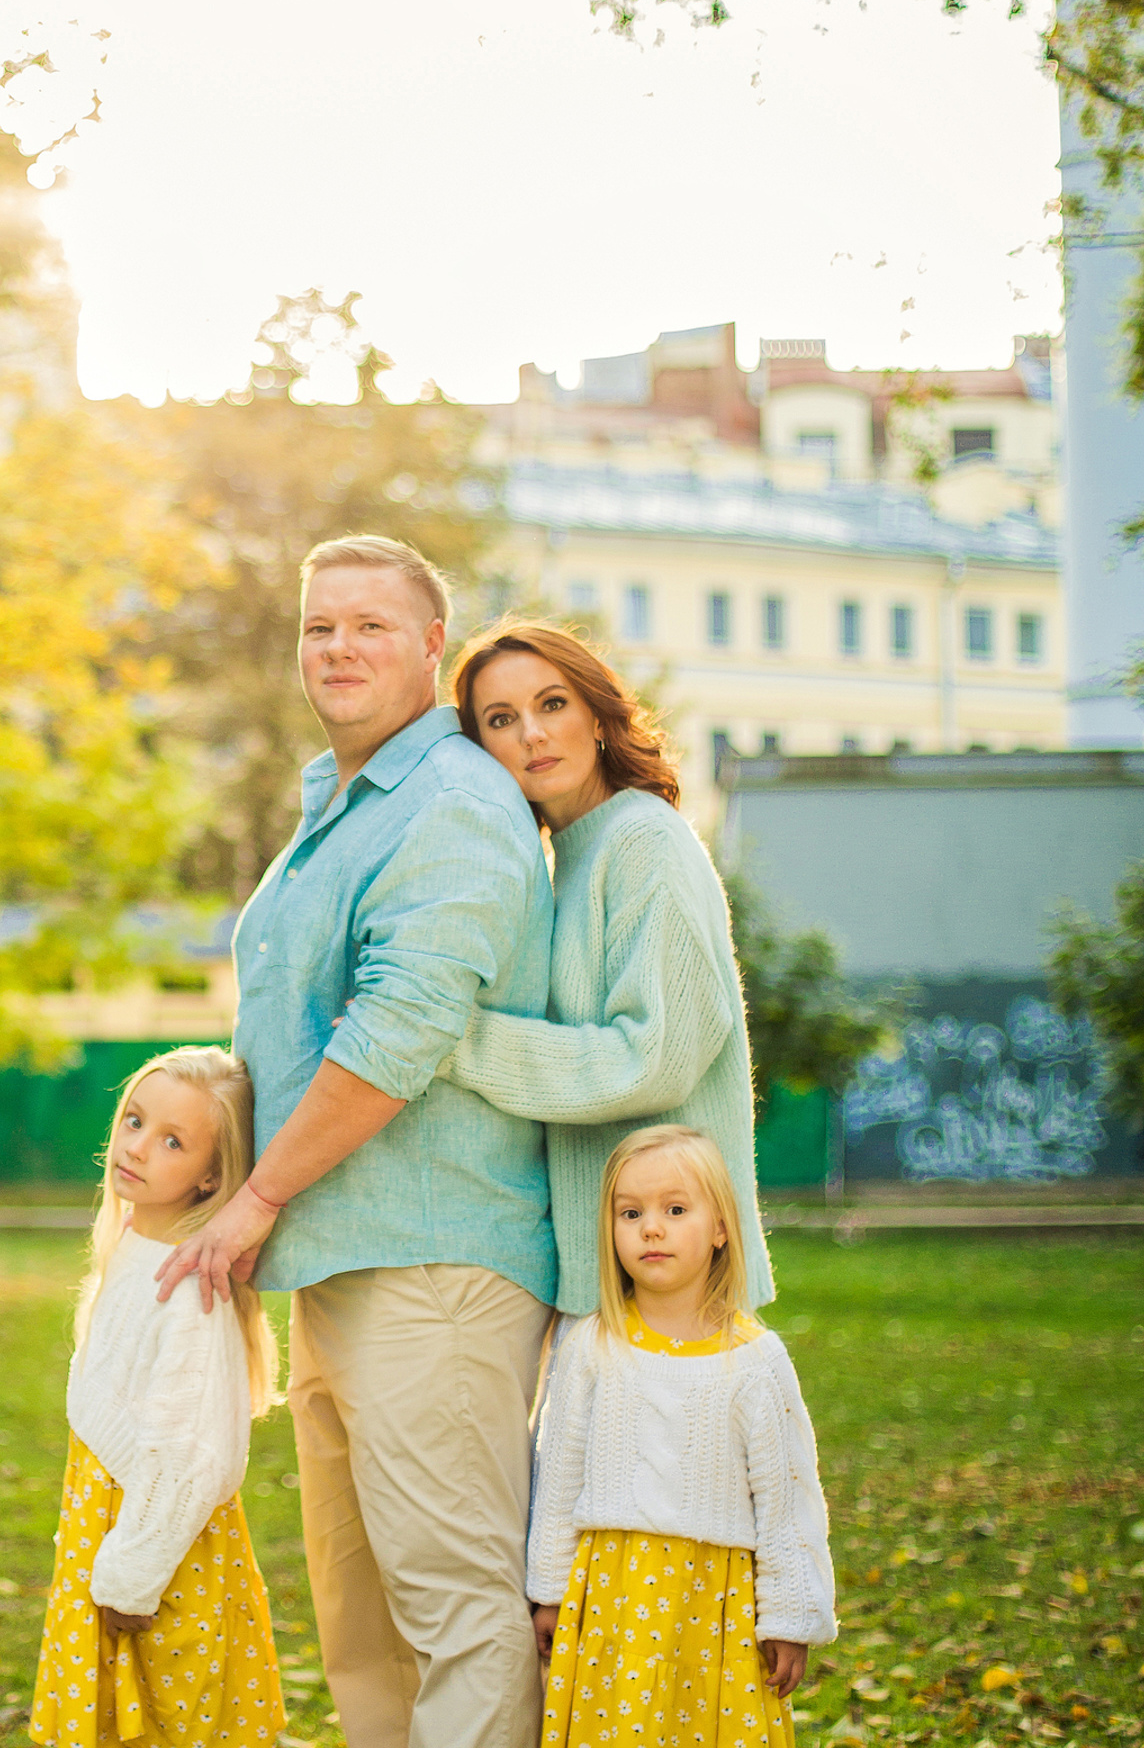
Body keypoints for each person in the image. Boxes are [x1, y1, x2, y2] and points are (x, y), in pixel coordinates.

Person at [157, 536, 557, 1748]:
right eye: (320, 626)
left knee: (455, 1611)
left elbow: (398, 1032)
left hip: (434, 1265)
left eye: (371, 626)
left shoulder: (451, 804)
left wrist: (256, 1197)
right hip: (342, 1260)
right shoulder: (343, 803)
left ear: (433, 648)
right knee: (360, 1618)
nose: (339, 648)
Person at [441, 618, 774, 1321]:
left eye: (553, 704)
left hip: (678, 1295)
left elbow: (654, 1060)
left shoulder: (643, 842)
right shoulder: (569, 860)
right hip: (611, 1286)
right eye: (502, 719)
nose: (532, 733)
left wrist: (449, 1037)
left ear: (597, 717)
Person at [529, 1124, 836, 1748]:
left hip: (717, 1606)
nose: (651, 1228)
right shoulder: (591, 1347)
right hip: (612, 1601)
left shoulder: (756, 1361)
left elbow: (786, 1501)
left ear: (721, 1227)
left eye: (675, 1210)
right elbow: (558, 1476)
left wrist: (789, 1615)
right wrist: (549, 1592)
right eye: (630, 1212)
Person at [29, 1046, 285, 1748]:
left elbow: (189, 1450)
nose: (137, 1147)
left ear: (210, 1176)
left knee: (168, 1716)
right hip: (109, 1521)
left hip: (156, 1547)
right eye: (135, 1121)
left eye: (172, 1141)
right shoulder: (137, 1249)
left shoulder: (188, 1289)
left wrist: (132, 1572)